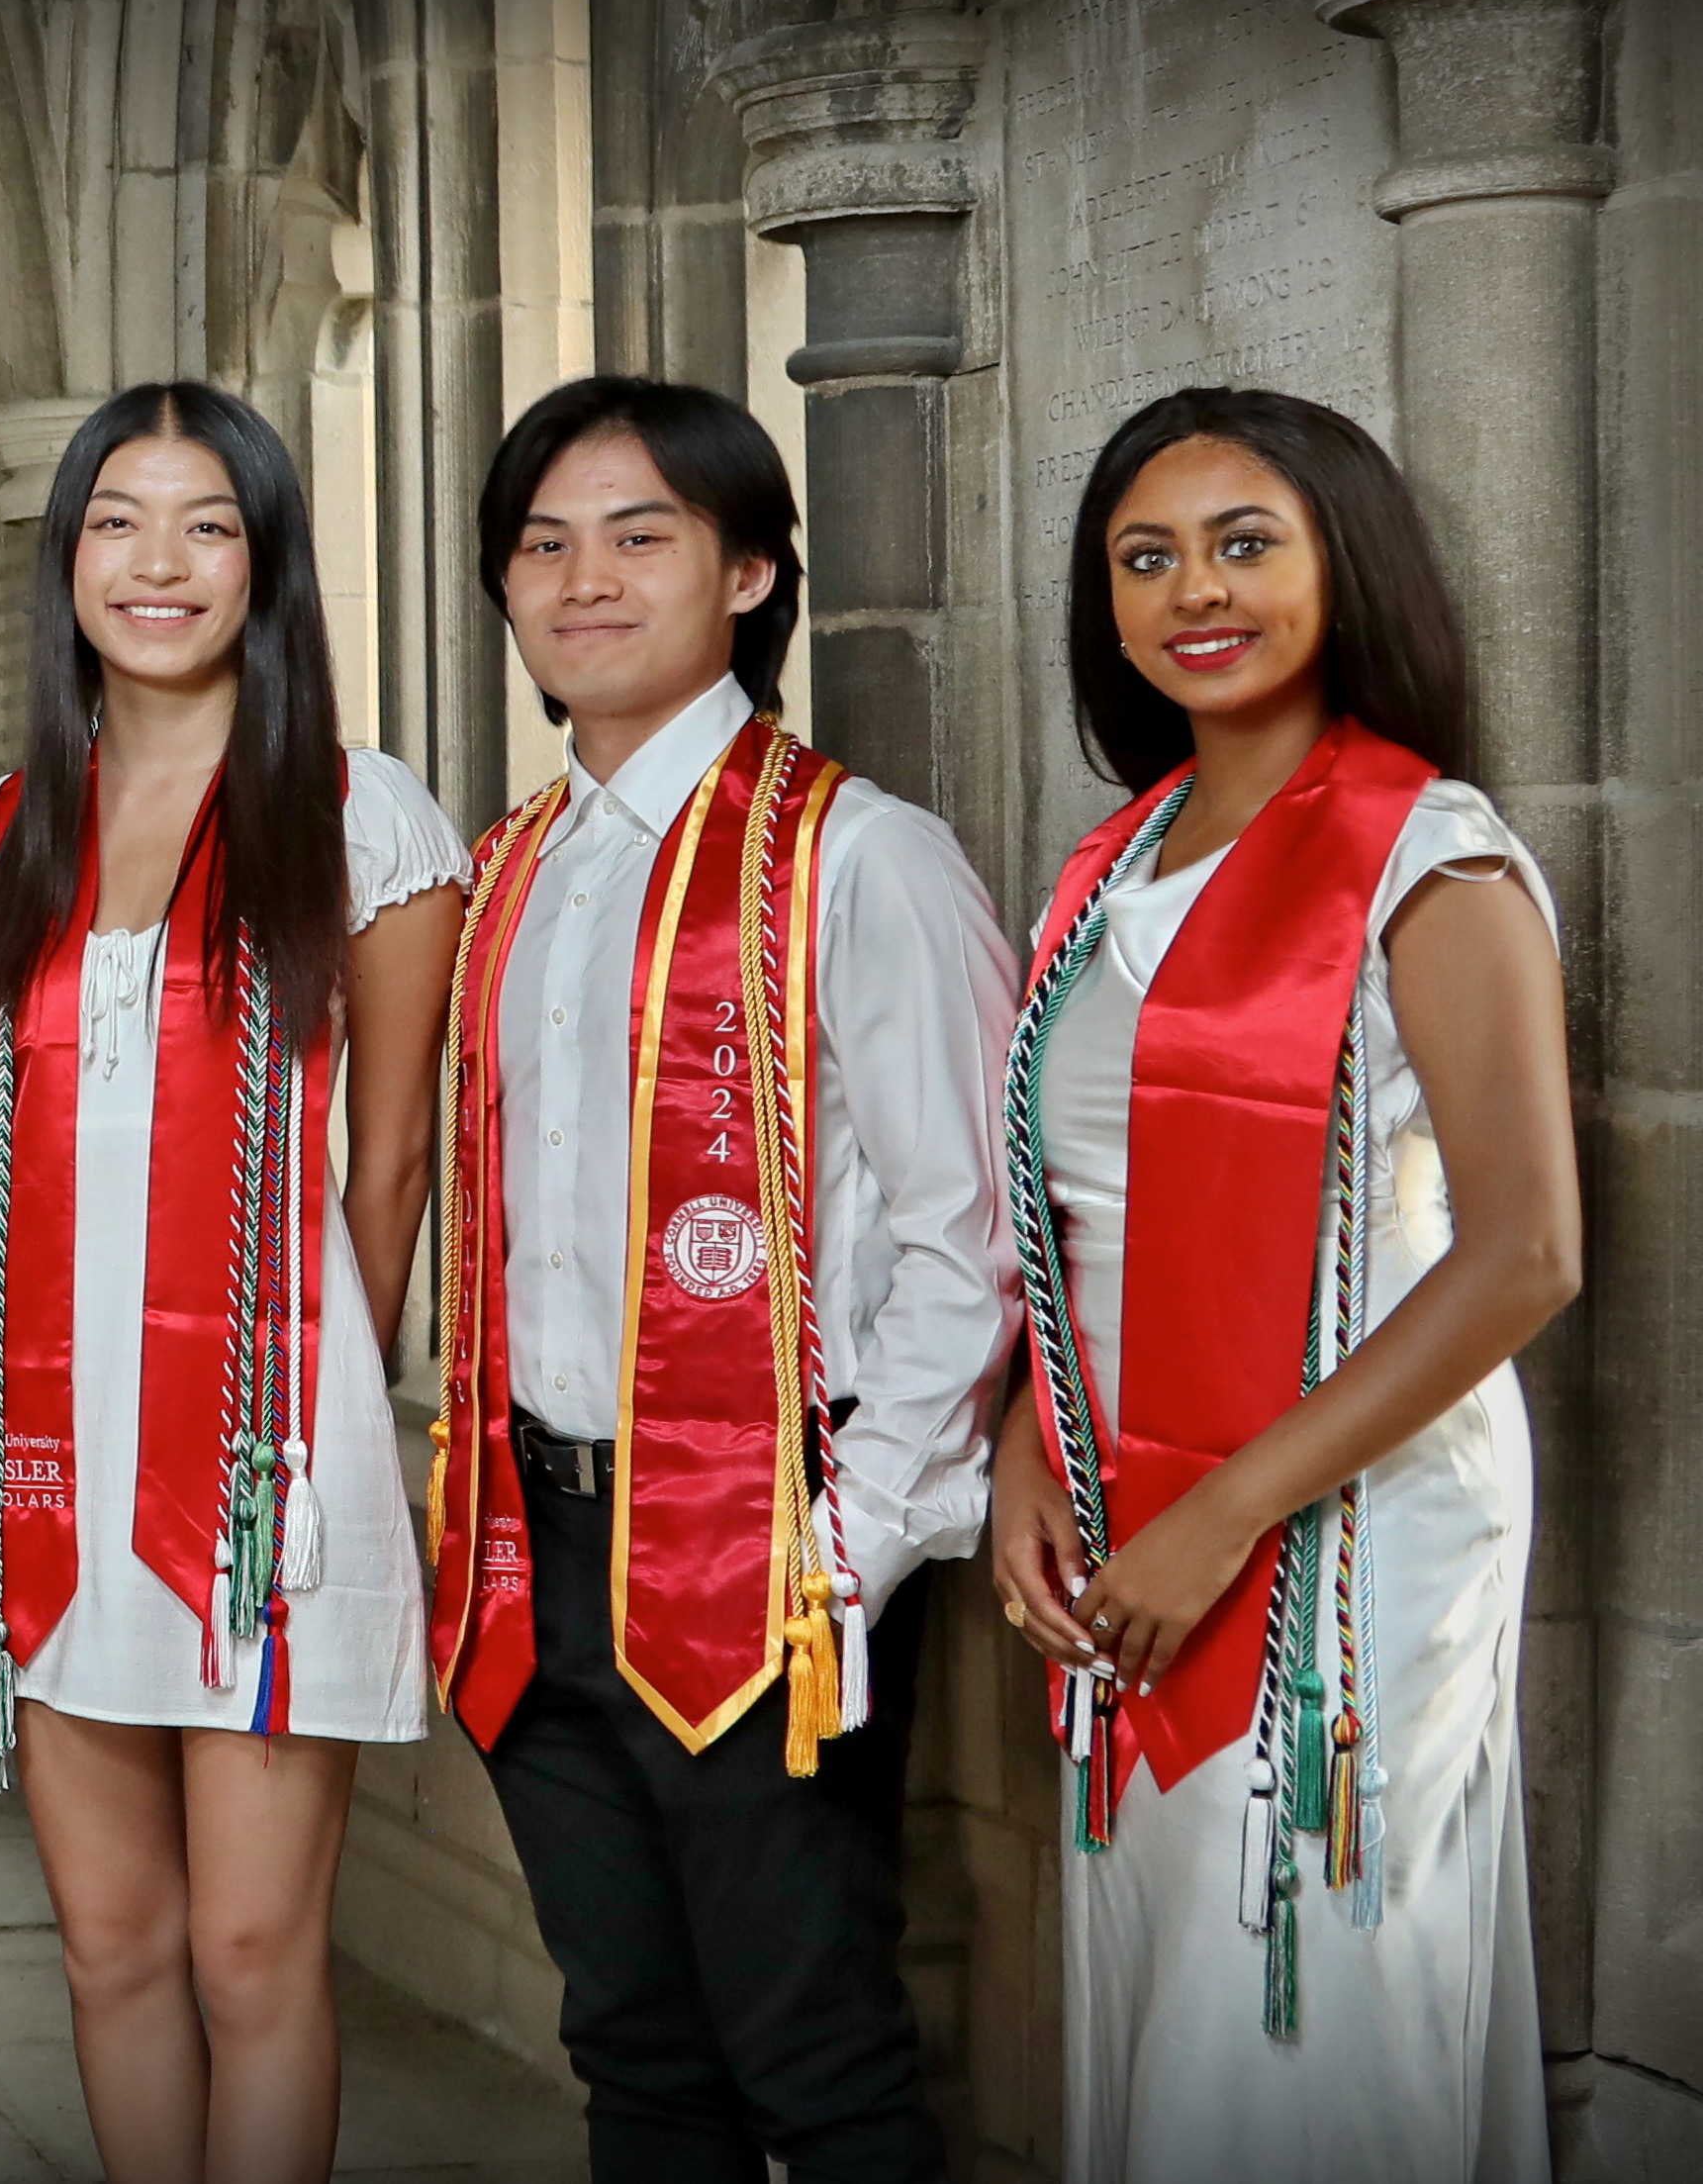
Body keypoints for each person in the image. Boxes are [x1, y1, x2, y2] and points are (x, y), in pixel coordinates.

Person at [423, 374, 1010, 2184]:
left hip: (758, 1551)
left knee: (811, 2055)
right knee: (633, 2058)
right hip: (533, 1540)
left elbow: (968, 1233)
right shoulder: (505, 872)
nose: (581, 579)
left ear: (749, 571)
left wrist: (850, 1542)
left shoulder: (857, 853)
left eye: (638, 535)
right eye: (540, 545)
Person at [992, 387, 1574, 2184]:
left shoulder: (1428, 855)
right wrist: (1030, 1445)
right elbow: (1084, 1207)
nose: (1193, 592)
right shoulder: (1108, 871)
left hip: (1346, 1534)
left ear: (1344, 564)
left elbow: (1524, 1252)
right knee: (1165, 2003)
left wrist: (1225, 1512)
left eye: (1246, 544)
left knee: (1303, 2013)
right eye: (1142, 558)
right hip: (1119, 1515)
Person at [0, 381, 461, 2184]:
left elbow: (388, 1160)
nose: (157, 565)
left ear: (266, 564)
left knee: (248, 1952)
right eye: (117, 524)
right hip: (46, 1474)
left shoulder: (358, 818)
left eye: (206, 525)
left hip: (263, 1478)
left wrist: (289, 1411)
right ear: (65, 557)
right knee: (113, 1946)